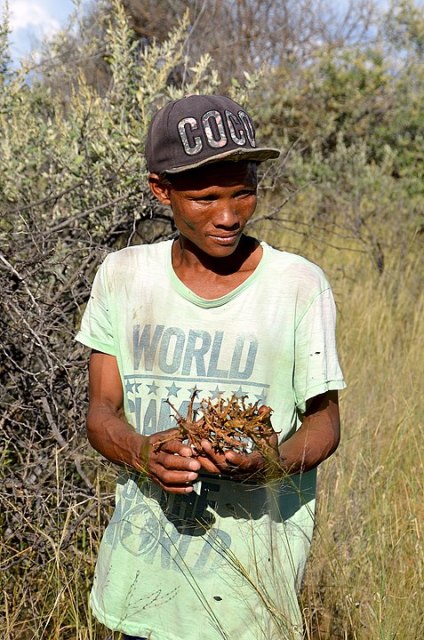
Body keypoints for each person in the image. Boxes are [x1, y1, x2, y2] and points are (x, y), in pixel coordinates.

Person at [76, 94, 346, 640]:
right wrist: (145, 452)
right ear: (161, 190)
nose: (228, 216)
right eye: (204, 198)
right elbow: (102, 412)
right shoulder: (123, 276)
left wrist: (269, 463)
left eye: (242, 192)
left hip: (249, 598)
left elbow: (324, 424)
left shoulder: (298, 285)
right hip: (141, 584)